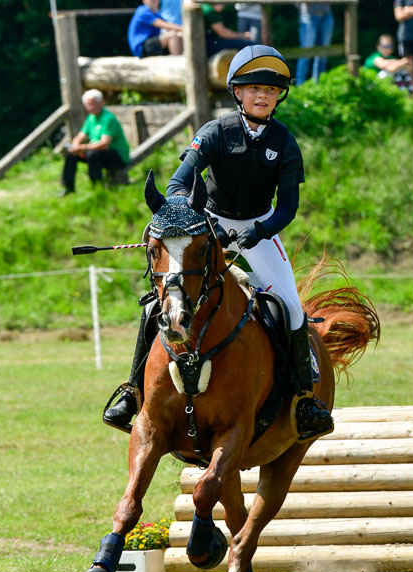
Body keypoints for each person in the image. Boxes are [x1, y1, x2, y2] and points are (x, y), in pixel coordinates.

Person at [103, 45, 333, 441]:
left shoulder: (285, 142)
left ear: (279, 97)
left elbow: (288, 208)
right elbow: (178, 184)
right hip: (207, 223)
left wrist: (259, 231)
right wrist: (191, 221)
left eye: (271, 90)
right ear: (238, 93)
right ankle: (132, 392)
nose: (263, 96)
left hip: (259, 227)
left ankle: (304, 399)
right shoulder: (215, 133)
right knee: (157, 304)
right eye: (254, 88)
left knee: (291, 308)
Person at [59, 90, 130, 196]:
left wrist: (83, 148)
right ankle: (68, 187)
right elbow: (80, 136)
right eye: (88, 105)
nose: (91, 107)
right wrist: (75, 146)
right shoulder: (91, 118)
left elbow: (104, 144)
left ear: (101, 103)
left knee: (93, 155)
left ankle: (97, 187)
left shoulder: (108, 119)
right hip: (98, 152)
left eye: (93, 104)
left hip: (117, 156)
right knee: (71, 154)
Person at [295, 3, 334, 86]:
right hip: (309, 16)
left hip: (326, 15)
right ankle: (300, 87)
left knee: (323, 54)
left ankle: (319, 86)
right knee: (305, 54)